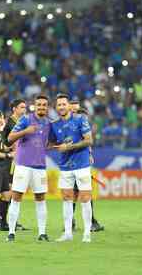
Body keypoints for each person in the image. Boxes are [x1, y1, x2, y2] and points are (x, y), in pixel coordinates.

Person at [6, 95, 51, 242]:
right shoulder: (25, 119)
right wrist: (26, 131)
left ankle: (42, 233)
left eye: (44, 105)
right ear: (34, 106)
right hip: (23, 165)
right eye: (39, 105)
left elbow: (50, 143)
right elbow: (10, 138)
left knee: (40, 198)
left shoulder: (49, 124)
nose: (41, 107)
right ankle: (11, 232)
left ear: (47, 107)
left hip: (40, 166)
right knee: (17, 196)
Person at [51, 94, 94, 243]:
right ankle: (68, 233)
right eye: (59, 105)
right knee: (67, 198)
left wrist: (69, 146)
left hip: (82, 165)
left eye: (64, 104)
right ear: (56, 108)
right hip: (65, 166)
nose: (62, 107)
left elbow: (89, 140)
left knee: (85, 198)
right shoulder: (54, 124)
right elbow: (50, 144)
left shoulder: (81, 119)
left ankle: (87, 233)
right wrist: (57, 147)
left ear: (69, 106)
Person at [0, 99, 28, 231]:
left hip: (19, 160)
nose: (24, 110)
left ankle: (11, 220)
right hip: (9, 162)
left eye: (25, 107)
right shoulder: (8, 124)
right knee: (8, 192)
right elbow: (2, 143)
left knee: (15, 191)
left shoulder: (21, 122)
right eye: (21, 107)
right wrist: (10, 150)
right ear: (14, 108)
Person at [74, 107, 104, 232]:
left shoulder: (79, 129)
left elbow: (87, 145)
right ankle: (91, 222)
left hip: (80, 165)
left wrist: (89, 154)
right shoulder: (77, 130)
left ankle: (71, 222)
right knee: (82, 194)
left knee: (75, 194)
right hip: (78, 166)